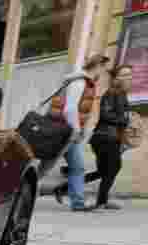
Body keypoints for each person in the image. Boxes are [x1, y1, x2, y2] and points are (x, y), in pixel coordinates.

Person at [53, 64, 133, 210]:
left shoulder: (122, 93)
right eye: (124, 74)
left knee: (104, 171)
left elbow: (122, 116)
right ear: (116, 77)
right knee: (113, 168)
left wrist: (127, 124)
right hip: (104, 137)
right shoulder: (112, 92)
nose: (128, 77)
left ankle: (63, 189)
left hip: (111, 137)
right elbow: (105, 114)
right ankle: (101, 201)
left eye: (129, 74)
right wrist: (124, 120)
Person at [48, 54, 111, 212]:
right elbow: (70, 108)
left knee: (66, 166)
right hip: (65, 131)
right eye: (103, 68)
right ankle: (78, 203)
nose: (103, 73)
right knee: (73, 167)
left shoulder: (83, 82)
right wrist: (76, 130)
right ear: (98, 66)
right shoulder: (80, 82)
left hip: (64, 129)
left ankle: (77, 203)